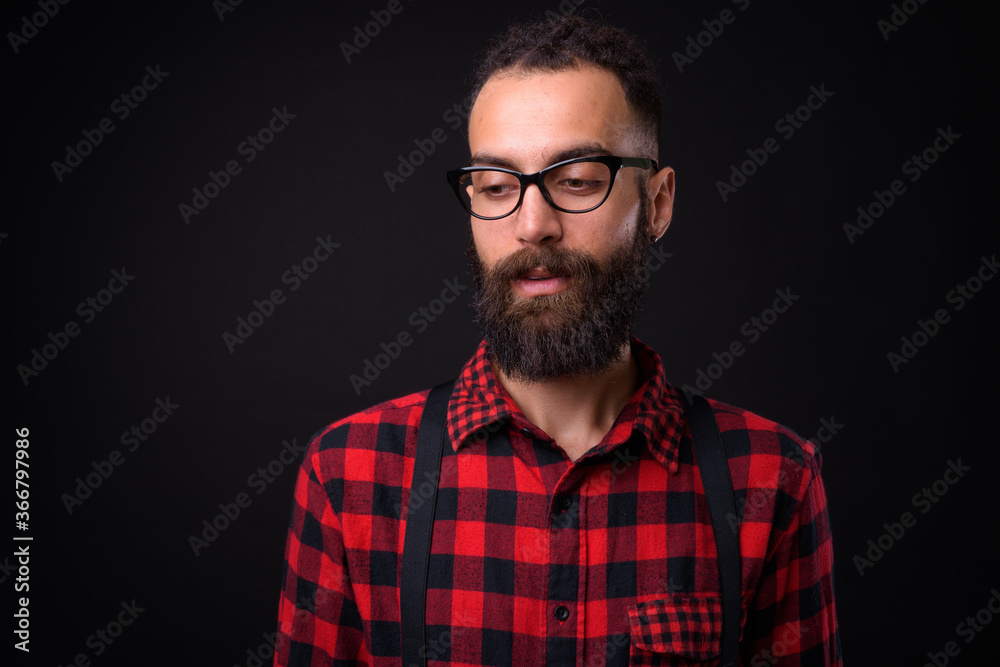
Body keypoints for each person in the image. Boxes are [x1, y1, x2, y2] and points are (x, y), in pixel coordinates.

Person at [275, 14, 840, 666]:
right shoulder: (349, 477)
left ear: (656, 204)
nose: (531, 224)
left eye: (575, 179)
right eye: (495, 185)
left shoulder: (774, 480)